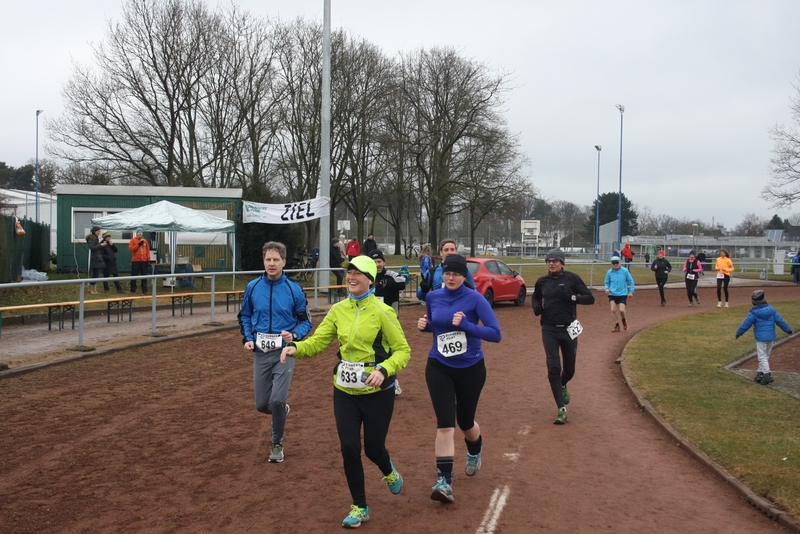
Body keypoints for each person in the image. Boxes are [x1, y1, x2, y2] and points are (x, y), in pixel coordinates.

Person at [280, 255, 410, 528]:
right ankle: (360, 506)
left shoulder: (383, 311)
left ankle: (388, 470)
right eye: (349, 272)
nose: (351, 277)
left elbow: (402, 351)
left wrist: (383, 370)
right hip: (345, 390)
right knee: (349, 448)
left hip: (377, 391)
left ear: (370, 279)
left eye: (357, 273)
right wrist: (296, 348)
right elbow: (318, 342)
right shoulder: (338, 310)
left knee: (373, 449)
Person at [416, 254, 501, 504]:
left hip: (470, 368)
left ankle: (474, 448)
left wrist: (466, 325)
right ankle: (444, 481)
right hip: (438, 366)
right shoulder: (433, 297)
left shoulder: (475, 299)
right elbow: (437, 326)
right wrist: (427, 326)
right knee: (445, 424)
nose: (451, 278)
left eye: (456, 274)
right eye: (447, 273)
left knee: (465, 421)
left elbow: (495, 334)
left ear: (464, 276)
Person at [240, 242, 313, 464]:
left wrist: (295, 336)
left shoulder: (294, 289)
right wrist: (248, 339)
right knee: (262, 405)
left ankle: (276, 443)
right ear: (263, 261)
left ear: (284, 262)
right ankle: (281, 410)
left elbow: (306, 321)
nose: (271, 264)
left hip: (284, 353)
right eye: (268, 259)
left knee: (278, 400)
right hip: (261, 352)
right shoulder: (253, 287)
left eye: (276, 259)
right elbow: (244, 316)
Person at [532, 248, 595, 424]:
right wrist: (536, 307)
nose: (551, 263)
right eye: (549, 261)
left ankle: (563, 384)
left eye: (555, 260)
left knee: (569, 371)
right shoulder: (542, 281)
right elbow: (535, 297)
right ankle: (561, 409)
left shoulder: (571, 279)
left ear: (562, 263)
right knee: (554, 368)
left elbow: (590, 298)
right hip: (549, 329)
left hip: (569, 329)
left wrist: (572, 298)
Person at [370, 249, 408, 396]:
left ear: (384, 262)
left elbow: (402, 282)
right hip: (371, 320)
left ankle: (393, 381)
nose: (377, 264)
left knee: (391, 351)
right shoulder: (368, 276)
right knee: (376, 350)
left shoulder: (391, 275)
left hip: (390, 320)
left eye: (379, 261)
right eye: (374, 262)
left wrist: (386, 283)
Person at [735, 290, 792, 385]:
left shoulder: (753, 313)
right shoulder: (771, 310)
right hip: (771, 337)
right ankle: (760, 373)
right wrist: (788, 330)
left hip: (761, 338)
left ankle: (767, 374)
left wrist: (738, 333)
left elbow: (745, 325)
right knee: (765, 356)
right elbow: (780, 321)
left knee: (762, 357)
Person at [604, 255, 635, 332]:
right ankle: (617, 325)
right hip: (612, 294)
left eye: (617, 263)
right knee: (613, 309)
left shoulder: (625, 271)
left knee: (621, 310)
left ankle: (624, 320)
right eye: (613, 263)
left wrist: (631, 291)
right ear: (611, 263)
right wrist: (606, 288)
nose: (615, 264)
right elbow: (607, 282)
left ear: (620, 263)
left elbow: (631, 282)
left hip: (622, 294)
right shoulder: (609, 272)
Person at [128, 228, 151, 294]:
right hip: (136, 260)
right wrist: (138, 244)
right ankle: (133, 289)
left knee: (144, 275)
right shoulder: (133, 240)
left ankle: (144, 290)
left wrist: (148, 259)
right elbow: (131, 249)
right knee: (134, 275)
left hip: (144, 260)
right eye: (139, 232)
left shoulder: (145, 241)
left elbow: (147, 250)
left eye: (141, 232)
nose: (140, 233)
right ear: (136, 233)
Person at [86, 226, 106, 294]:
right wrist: (100, 245)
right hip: (95, 258)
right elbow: (92, 248)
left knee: (97, 274)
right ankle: (91, 288)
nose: (99, 233)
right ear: (94, 231)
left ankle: (94, 289)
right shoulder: (91, 238)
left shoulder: (96, 238)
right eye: (98, 231)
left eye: (99, 231)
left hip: (98, 257)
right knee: (95, 274)